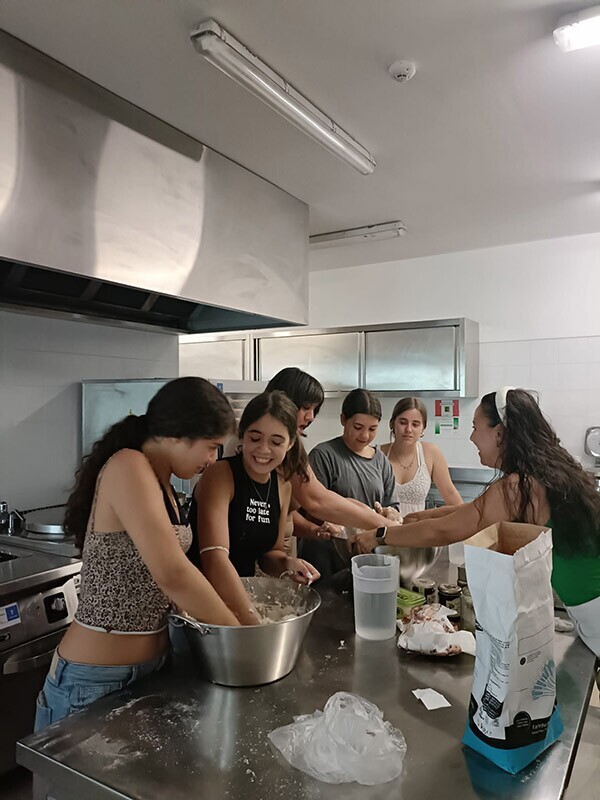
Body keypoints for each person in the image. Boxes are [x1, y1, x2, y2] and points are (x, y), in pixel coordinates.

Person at [34, 378, 239, 731]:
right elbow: (173, 573)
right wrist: (239, 637)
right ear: (178, 435)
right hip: (92, 681)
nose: (212, 459)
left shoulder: (165, 484)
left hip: (147, 672)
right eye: (210, 447)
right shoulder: (128, 466)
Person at [355, 387, 600, 656]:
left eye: (475, 427)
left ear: (499, 433)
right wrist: (421, 517)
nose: (472, 437)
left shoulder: (517, 488)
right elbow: (471, 511)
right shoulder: (538, 475)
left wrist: (379, 534)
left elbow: (446, 531)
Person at [192, 391, 320, 625]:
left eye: (276, 442)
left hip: (242, 600)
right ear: (242, 435)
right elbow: (214, 557)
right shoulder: (220, 475)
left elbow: (270, 554)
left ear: (291, 443)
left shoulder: (282, 486)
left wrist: (288, 564)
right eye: (254, 438)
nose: (263, 449)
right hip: (203, 604)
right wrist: (252, 619)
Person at [264, 368, 393, 540]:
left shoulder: (292, 447)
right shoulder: (322, 454)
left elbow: (285, 510)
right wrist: (385, 526)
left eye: (314, 410)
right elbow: (316, 500)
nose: (311, 417)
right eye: (305, 408)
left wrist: (313, 530)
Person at [299, 389, 399, 579]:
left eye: (372, 429)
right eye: (358, 427)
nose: (365, 435)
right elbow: (313, 509)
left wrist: (389, 514)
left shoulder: (381, 461)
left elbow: (392, 508)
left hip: (367, 559)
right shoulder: (323, 455)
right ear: (343, 419)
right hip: (326, 558)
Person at [381, 397, 463, 516]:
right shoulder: (378, 454)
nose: (408, 429)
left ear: (423, 428)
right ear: (392, 423)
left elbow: (451, 496)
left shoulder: (430, 453)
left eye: (415, 424)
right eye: (403, 422)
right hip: (382, 526)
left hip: (418, 527)